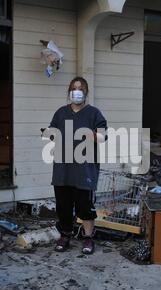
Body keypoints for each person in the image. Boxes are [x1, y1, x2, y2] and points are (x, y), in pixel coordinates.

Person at [47, 77, 107, 255]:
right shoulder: (60, 113)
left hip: (84, 170)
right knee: (63, 206)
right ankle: (65, 235)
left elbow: (104, 136)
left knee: (85, 206)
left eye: (80, 88)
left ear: (86, 93)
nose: (77, 91)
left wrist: (93, 136)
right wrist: (51, 134)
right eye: (73, 88)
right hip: (63, 170)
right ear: (69, 92)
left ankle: (88, 238)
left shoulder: (93, 113)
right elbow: (52, 132)